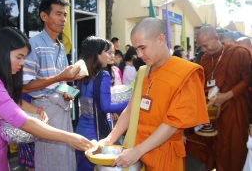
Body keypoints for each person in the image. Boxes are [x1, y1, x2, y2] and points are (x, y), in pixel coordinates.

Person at [0, 27, 93, 171]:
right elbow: (23, 121)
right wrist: (69, 137)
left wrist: (36, 109)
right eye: (19, 57)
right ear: (3, 53)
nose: (22, 63)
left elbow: (12, 102)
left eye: (24, 57)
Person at [99, 18, 209, 171]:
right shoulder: (143, 72)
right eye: (136, 49)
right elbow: (130, 109)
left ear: (160, 39)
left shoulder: (186, 72)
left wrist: (138, 151)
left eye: (142, 47)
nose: (139, 54)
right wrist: (109, 139)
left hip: (164, 154)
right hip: (135, 148)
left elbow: (172, 123)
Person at [22, 0, 83, 171]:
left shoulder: (60, 46)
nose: (63, 19)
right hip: (45, 111)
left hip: (62, 108)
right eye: (58, 14)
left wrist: (67, 89)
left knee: (66, 159)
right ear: (44, 16)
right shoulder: (34, 45)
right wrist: (58, 79)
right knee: (51, 162)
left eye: (64, 15)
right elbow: (25, 86)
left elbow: (60, 80)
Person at [186, 26, 251, 171]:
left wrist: (226, 96)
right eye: (200, 46)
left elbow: (246, 80)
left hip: (235, 108)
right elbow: (205, 82)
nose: (203, 49)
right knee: (215, 145)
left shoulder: (239, 53)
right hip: (215, 111)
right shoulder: (205, 58)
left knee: (233, 147)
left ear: (216, 39)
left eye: (205, 45)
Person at [75, 36, 128, 171]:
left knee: (83, 166)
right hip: (95, 132)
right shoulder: (102, 75)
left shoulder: (82, 74)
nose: (111, 56)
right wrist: (130, 103)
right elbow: (107, 106)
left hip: (81, 129)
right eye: (107, 52)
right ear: (97, 54)